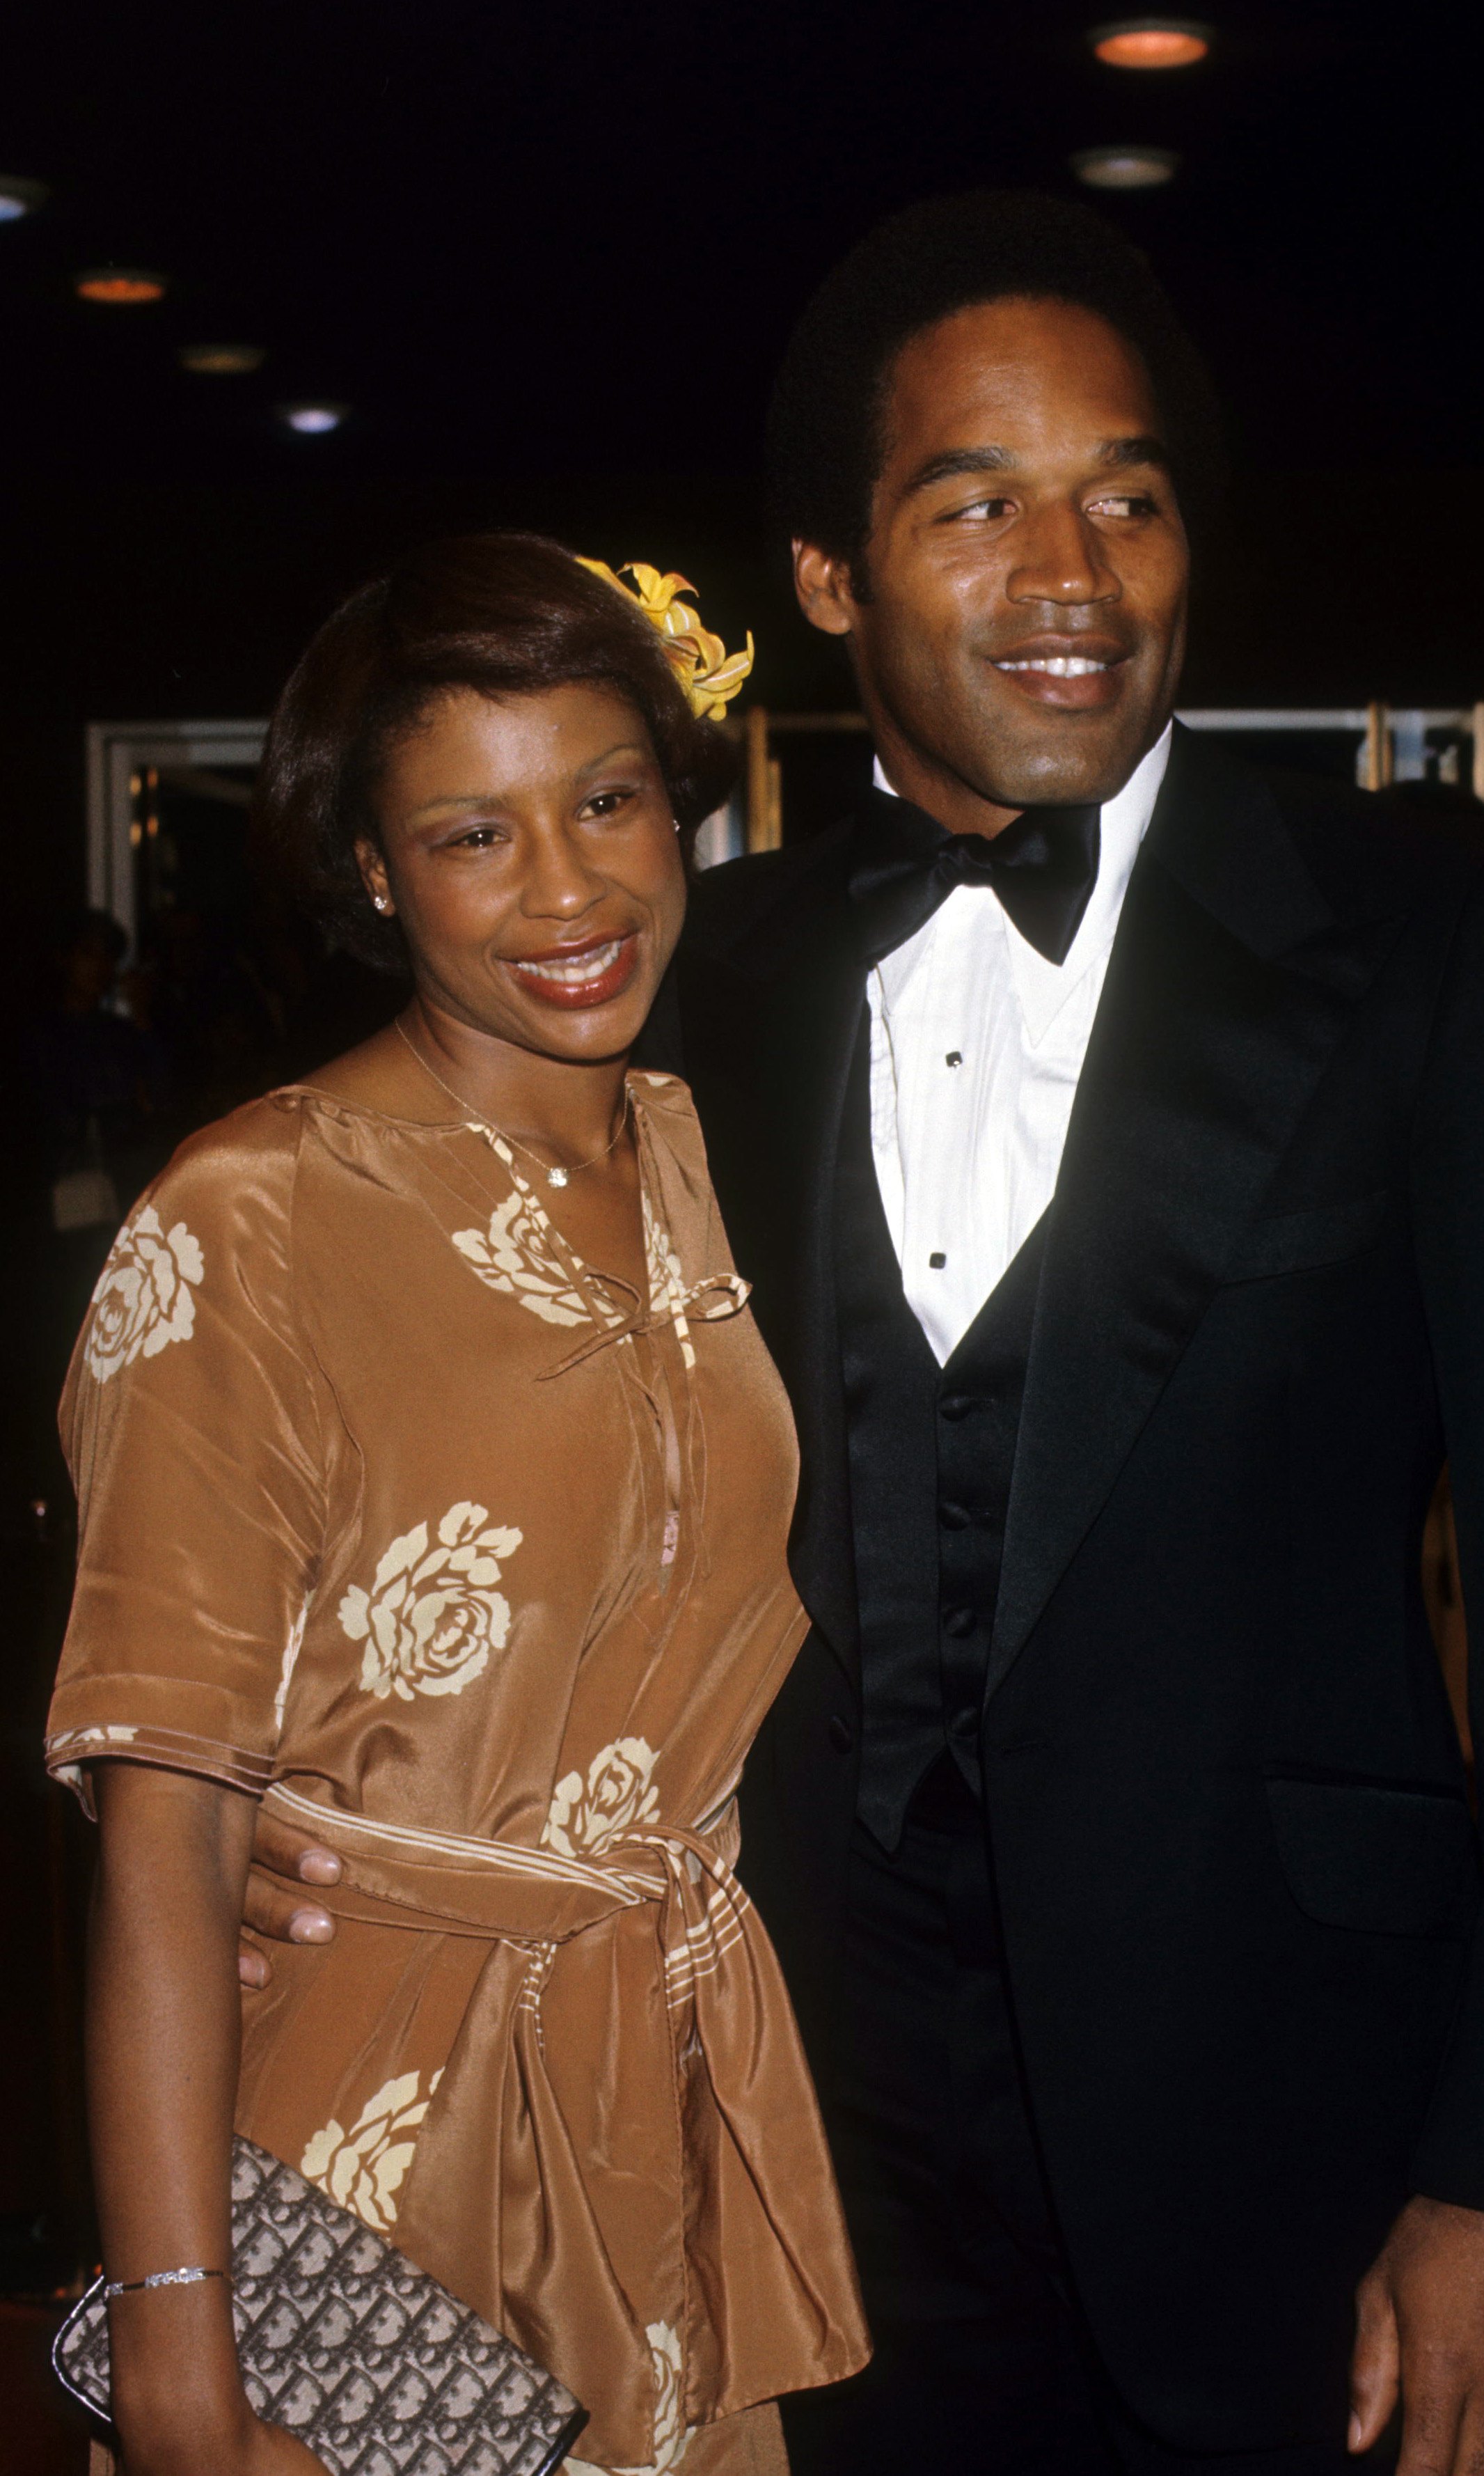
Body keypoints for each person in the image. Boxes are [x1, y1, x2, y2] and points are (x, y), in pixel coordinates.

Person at [245, 196, 1484, 2476]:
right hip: (804, 2128)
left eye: (1128, 495)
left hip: (1301, 2146)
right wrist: (318, 1811)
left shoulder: (1440, 939)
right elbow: (479, 1454)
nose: (1075, 574)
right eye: (976, 502)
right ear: (828, 578)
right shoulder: (698, 977)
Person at [45, 535, 867, 2476]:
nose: (570, 890)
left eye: (605, 800)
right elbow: (165, 1831)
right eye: (473, 835)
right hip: (368, 2160)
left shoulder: (712, 1148)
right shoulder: (249, 1217)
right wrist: (181, 2342)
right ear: (371, 870)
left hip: (680, 2108)